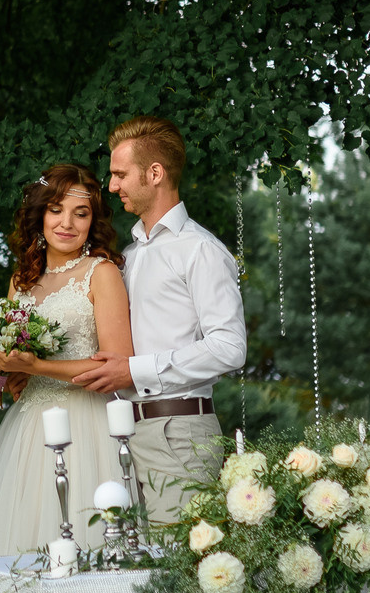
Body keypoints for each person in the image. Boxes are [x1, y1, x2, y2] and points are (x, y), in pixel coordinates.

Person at [0, 164, 136, 557]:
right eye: (56, 210)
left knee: (82, 542)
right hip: (27, 429)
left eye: (81, 213)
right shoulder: (21, 279)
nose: (67, 223)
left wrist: (33, 368)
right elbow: (13, 361)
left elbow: (118, 366)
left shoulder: (102, 273)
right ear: (39, 215)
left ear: (94, 221)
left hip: (86, 424)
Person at [73, 115, 244, 522]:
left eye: (119, 174)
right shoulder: (126, 258)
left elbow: (230, 348)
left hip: (178, 434)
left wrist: (135, 371)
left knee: (177, 569)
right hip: (119, 434)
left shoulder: (200, 250)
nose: (112, 187)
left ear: (155, 173)